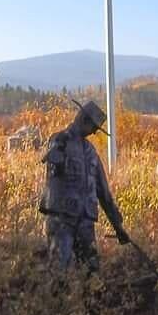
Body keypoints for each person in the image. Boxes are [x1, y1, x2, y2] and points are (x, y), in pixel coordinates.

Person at [39, 100, 129, 269]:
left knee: (91, 268)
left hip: (85, 220)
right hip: (62, 218)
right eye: (94, 127)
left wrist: (118, 226)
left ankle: (87, 294)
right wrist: (56, 157)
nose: (94, 132)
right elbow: (53, 163)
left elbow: (104, 193)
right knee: (59, 267)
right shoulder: (60, 140)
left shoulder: (91, 152)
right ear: (84, 120)